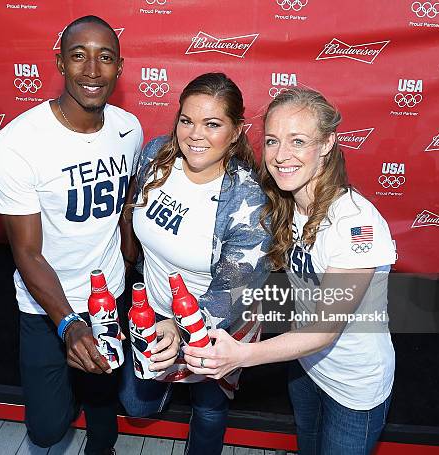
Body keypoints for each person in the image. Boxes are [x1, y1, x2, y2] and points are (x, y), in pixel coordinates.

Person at [183, 87, 397, 455]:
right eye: (272, 141)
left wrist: (242, 355)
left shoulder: (356, 224)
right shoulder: (283, 202)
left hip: (354, 387)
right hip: (304, 367)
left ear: (327, 144)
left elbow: (324, 329)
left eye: (298, 141)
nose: (281, 156)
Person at [0, 15, 143, 454]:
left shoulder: (128, 129)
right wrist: (69, 324)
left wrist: (129, 265)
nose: (92, 70)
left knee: (102, 402)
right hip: (45, 306)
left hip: (107, 297)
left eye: (105, 58)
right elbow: (27, 254)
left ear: (120, 67)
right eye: (79, 56)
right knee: (47, 428)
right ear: (59, 63)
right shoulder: (17, 143)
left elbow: (123, 207)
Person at [118, 73, 271, 455]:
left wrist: (178, 327)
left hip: (216, 325)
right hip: (153, 313)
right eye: (187, 120)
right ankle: (169, 382)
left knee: (209, 407)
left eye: (212, 124)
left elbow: (227, 296)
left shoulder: (249, 206)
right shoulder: (157, 153)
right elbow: (131, 214)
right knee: (136, 405)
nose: (195, 135)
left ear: (236, 131)